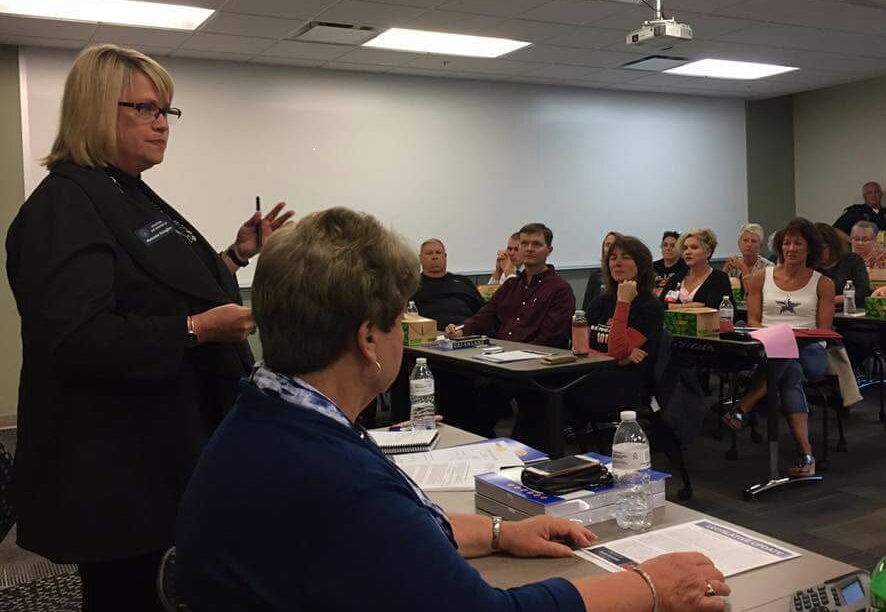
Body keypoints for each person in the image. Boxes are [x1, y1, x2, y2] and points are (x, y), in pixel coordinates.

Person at [175, 206, 730, 612]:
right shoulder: (336, 480)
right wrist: (649, 586)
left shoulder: (268, 414)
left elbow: (399, 530)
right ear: (369, 340)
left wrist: (498, 533)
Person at [4, 44, 293, 611]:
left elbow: (157, 285)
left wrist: (236, 255)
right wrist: (198, 329)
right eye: (145, 109)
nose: (162, 124)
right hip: (119, 467)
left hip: (166, 450)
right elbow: (78, 337)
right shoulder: (65, 205)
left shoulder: (124, 191)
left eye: (166, 111)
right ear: (94, 109)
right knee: (129, 594)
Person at [722, 218, 835, 478]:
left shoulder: (823, 284)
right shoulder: (761, 278)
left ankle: (744, 405)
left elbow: (823, 330)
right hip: (770, 347)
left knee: (788, 360)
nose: (791, 248)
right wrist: (777, 337)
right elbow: (753, 321)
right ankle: (806, 455)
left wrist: (791, 338)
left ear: (810, 248)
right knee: (790, 372)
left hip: (811, 351)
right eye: (786, 243)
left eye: (798, 243)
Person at [570, 236, 664, 424]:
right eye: (613, 258)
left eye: (626, 257)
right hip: (592, 372)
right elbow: (578, 347)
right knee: (542, 389)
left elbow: (617, 350)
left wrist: (623, 303)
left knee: (556, 395)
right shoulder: (600, 302)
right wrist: (613, 359)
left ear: (641, 264)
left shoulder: (649, 306)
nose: (617, 263)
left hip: (625, 383)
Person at [446, 222, 574, 348]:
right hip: (501, 352)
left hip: (536, 356)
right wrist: (460, 329)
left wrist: (513, 352)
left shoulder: (560, 290)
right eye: (524, 244)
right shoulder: (511, 285)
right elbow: (484, 316)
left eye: (536, 244)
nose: (529, 249)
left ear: (549, 250)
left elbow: (551, 338)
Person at [411, 238, 484, 328]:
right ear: (420, 258)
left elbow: (484, 312)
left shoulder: (463, 282)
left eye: (438, 253)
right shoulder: (412, 285)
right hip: (431, 333)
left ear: (445, 257)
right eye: (429, 253)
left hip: (467, 331)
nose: (434, 257)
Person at [659, 229, 734, 310]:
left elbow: (719, 308)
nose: (687, 252)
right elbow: (659, 307)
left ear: (708, 252)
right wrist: (688, 306)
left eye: (694, 247)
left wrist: (672, 307)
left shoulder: (719, 278)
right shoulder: (675, 279)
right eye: (685, 248)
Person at [815, 222, 870, 307]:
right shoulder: (809, 265)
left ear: (833, 245)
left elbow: (863, 292)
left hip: (849, 311)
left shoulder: (853, 260)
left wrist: (832, 300)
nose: (817, 253)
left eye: (822, 248)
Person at [722, 223, 773, 295]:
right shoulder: (734, 263)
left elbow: (752, 294)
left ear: (760, 246)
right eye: (745, 240)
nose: (749, 245)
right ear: (739, 244)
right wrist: (725, 271)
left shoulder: (768, 267)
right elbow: (719, 290)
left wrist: (743, 269)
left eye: (753, 241)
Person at [582, 231, 622, 311]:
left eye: (614, 244)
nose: (610, 248)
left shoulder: (624, 275)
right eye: (608, 245)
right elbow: (586, 307)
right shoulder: (595, 275)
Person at [653, 230, 687, 296]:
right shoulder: (652, 266)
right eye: (665, 245)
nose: (668, 248)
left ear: (681, 248)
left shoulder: (686, 267)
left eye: (673, 246)